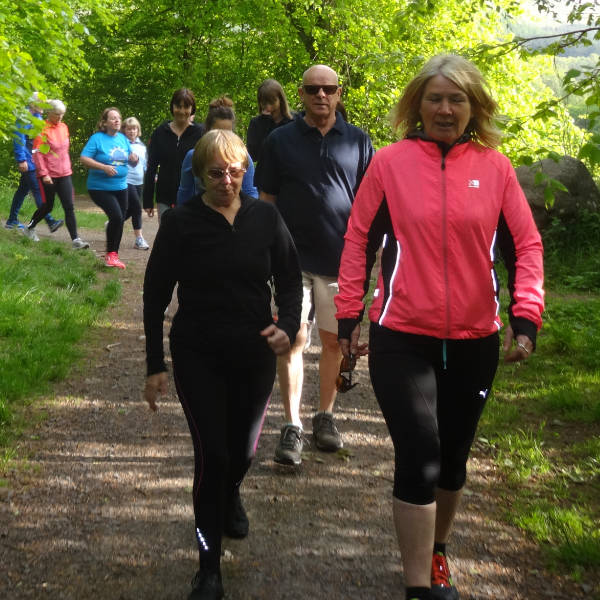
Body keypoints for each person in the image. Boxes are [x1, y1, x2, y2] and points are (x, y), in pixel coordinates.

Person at [334, 54, 545, 600]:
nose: (445, 109)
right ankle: (418, 586)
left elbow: (526, 244)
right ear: (417, 106)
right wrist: (349, 315)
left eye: (456, 99)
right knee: (420, 450)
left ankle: (438, 550)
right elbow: (360, 239)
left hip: (475, 339)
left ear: (473, 106)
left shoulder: (496, 169)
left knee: (453, 457)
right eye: (435, 98)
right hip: (402, 334)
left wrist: (525, 318)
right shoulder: (390, 164)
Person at [143, 129, 302, 600]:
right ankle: (208, 568)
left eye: (235, 171)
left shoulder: (266, 218)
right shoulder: (181, 223)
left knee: (243, 454)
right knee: (212, 456)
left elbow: (290, 280)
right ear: (199, 174)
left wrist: (287, 325)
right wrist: (155, 363)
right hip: (198, 353)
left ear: (245, 171)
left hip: (254, 354)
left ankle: (231, 491)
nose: (227, 180)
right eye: (216, 172)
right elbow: (155, 297)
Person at [256, 64, 374, 466]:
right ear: (301, 94)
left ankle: (325, 416)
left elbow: (369, 206)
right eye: (312, 89)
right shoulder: (279, 140)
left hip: (341, 264)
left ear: (339, 93)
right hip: (290, 263)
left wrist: (368, 258)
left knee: (333, 343)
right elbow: (267, 199)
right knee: (291, 340)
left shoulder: (359, 141)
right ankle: (292, 425)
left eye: (328, 89)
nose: (320, 95)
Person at [21, 99, 89, 249]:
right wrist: (44, 174)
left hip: (64, 173)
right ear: (49, 112)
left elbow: (63, 150)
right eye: (57, 114)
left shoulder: (64, 127)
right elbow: (37, 153)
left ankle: (76, 240)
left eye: (62, 114)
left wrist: (68, 167)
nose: (60, 117)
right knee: (48, 206)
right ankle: (29, 228)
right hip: (48, 175)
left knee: (69, 206)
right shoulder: (42, 129)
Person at [80, 107, 139, 269]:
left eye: (119, 118)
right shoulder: (97, 139)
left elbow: (132, 161)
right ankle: (110, 255)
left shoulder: (122, 139)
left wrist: (134, 159)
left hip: (121, 186)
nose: (117, 120)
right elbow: (84, 158)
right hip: (99, 188)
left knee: (119, 220)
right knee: (117, 217)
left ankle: (113, 255)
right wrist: (103, 167)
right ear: (104, 122)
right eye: (113, 118)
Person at [177, 96, 258, 204]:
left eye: (228, 132)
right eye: (218, 132)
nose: (222, 137)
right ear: (207, 130)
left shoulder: (243, 158)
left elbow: (250, 192)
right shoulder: (193, 156)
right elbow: (184, 194)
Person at [5, 95, 63, 233]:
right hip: (28, 161)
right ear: (33, 104)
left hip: (35, 160)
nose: (45, 108)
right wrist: (21, 159)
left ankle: (12, 220)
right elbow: (18, 139)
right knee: (37, 190)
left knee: (23, 190)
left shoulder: (36, 116)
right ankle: (50, 221)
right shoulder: (24, 117)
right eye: (41, 104)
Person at [143, 88, 204, 219]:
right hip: (165, 197)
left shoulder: (201, 133)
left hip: (192, 197)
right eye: (178, 106)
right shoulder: (160, 133)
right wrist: (148, 200)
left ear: (192, 108)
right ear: (172, 107)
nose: (182, 111)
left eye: (186, 106)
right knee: (167, 236)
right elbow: (151, 167)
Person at [246, 79, 293, 167]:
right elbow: (253, 155)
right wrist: (265, 124)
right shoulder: (256, 123)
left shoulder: (293, 121)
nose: (268, 107)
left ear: (280, 100)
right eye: (264, 103)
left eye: (272, 102)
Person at [122, 116, 150, 250]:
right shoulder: (121, 144)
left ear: (138, 130)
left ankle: (114, 222)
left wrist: (152, 175)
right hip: (125, 180)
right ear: (124, 130)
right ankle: (139, 239)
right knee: (137, 207)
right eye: (129, 129)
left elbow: (144, 164)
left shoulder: (141, 146)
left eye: (134, 128)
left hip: (139, 181)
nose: (132, 131)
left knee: (130, 209)